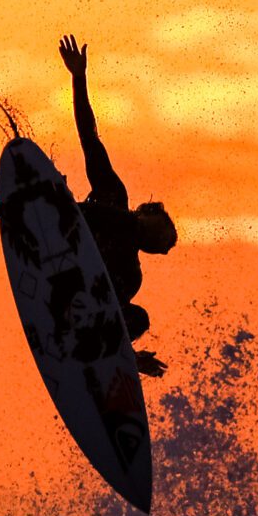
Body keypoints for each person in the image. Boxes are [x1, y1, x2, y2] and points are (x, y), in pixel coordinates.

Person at [59, 34, 176, 377]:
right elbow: (89, 136)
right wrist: (78, 78)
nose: (164, 244)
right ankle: (50, 209)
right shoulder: (113, 194)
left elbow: (111, 320)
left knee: (136, 317)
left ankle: (97, 358)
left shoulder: (130, 275)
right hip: (61, 235)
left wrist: (131, 359)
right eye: (165, 231)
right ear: (146, 210)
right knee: (114, 217)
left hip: (75, 298)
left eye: (164, 247)